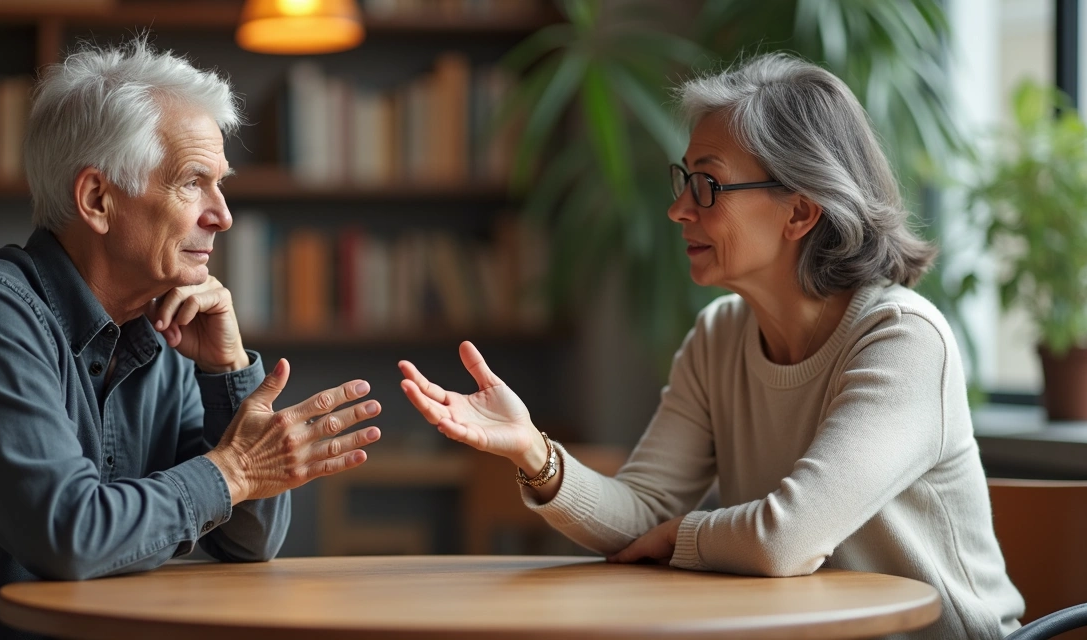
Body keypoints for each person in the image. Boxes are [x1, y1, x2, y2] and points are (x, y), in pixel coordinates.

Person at [399, 53, 1024, 639]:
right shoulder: (719, 335)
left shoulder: (903, 340)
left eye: (707, 186)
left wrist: (683, 537)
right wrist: (534, 452)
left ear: (800, 213)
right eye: (684, 180)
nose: (677, 210)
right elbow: (642, 512)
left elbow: (786, 540)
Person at [0, 39, 383, 638]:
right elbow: (70, 534)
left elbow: (250, 542)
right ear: (96, 199)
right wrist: (236, 469)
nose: (222, 214)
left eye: (221, 185)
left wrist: (226, 373)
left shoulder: (163, 330)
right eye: (194, 183)